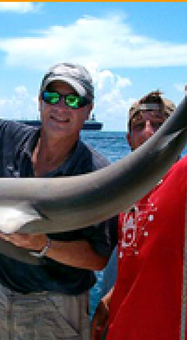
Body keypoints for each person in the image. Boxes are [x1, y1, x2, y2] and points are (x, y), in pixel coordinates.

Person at [0, 62, 117, 340]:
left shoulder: (97, 175)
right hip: (1, 291)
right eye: (51, 97)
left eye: (73, 99)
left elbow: (98, 258)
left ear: (88, 110)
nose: (60, 107)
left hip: (56, 307)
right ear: (39, 101)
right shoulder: (6, 135)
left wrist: (43, 244)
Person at [91, 90, 187, 340]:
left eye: (159, 124)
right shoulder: (127, 195)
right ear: (128, 139)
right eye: (138, 126)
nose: (148, 133)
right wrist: (110, 300)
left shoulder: (183, 177)